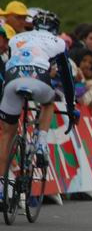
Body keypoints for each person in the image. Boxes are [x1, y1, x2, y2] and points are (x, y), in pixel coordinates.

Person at [0, 11, 77, 202]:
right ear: (55, 29)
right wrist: (70, 107)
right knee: (48, 102)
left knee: (7, 134)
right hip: (40, 82)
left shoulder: (16, 38)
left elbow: (10, 65)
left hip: (12, 83)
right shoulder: (58, 42)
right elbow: (67, 79)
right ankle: (41, 142)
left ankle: (1, 186)